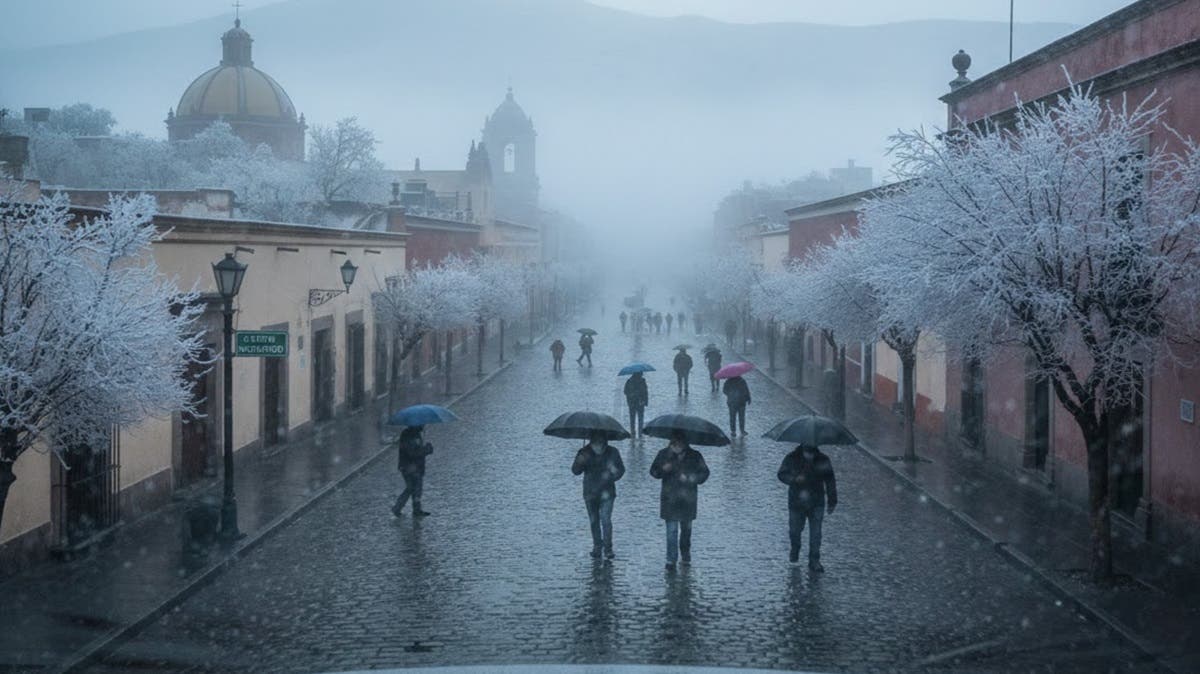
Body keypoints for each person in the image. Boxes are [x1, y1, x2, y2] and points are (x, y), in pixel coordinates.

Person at [650, 431, 710, 571]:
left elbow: (704, 473)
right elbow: (653, 472)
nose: (677, 445)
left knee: (686, 531)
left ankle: (685, 553)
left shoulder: (695, 456)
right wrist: (663, 469)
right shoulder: (663, 454)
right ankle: (671, 559)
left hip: (687, 500)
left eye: (680, 442)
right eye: (675, 442)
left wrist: (690, 478)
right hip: (669, 499)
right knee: (671, 531)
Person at [777, 445, 837, 571]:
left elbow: (830, 480)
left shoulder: (823, 459)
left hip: (817, 501)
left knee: (816, 533)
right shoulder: (792, 457)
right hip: (796, 502)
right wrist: (794, 479)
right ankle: (795, 549)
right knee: (795, 531)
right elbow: (782, 474)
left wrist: (832, 500)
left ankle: (814, 560)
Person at [572, 431, 626, 559]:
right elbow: (575, 471)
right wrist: (579, 461)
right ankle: (597, 546)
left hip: (607, 492)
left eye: (601, 438)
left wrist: (613, 474)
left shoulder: (612, 452)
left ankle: (608, 548)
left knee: (606, 519)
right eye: (596, 438)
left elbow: (621, 470)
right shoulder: (584, 452)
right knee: (594, 521)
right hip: (590, 492)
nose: (598, 440)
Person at [392, 425, 433, 517]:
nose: (424, 425)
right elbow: (412, 453)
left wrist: (425, 448)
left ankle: (415, 509)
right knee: (413, 488)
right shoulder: (408, 435)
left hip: (415, 467)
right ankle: (399, 508)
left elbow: (417, 449)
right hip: (410, 467)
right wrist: (426, 450)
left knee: (415, 488)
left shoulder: (416, 434)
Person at [624, 371, 648, 438]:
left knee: (634, 419)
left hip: (634, 403)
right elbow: (645, 392)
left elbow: (625, 391)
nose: (642, 374)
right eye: (641, 373)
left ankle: (634, 433)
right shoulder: (640, 381)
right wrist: (645, 401)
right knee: (638, 419)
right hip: (637, 403)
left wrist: (645, 401)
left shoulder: (630, 381)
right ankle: (638, 433)